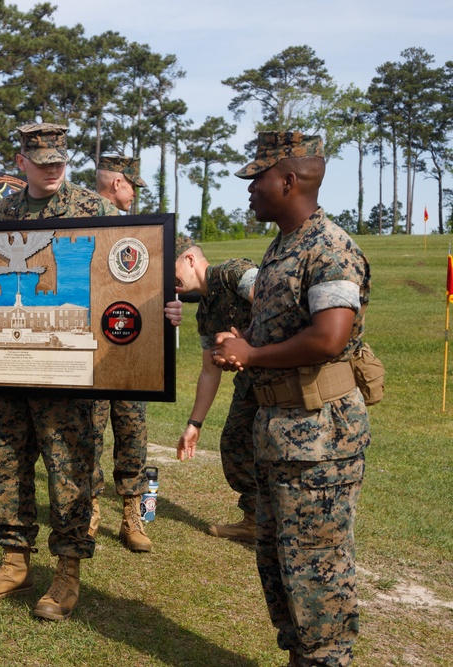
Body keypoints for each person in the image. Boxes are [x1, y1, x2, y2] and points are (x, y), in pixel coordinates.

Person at [211, 132, 370, 667]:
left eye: (256, 181)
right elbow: (281, 326)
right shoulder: (283, 246)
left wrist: (252, 356)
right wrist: (242, 345)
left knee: (316, 566)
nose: (250, 191)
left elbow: (329, 337)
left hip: (320, 438)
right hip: (282, 432)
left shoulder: (329, 247)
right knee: (280, 562)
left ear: (289, 180)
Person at [0, 123, 120, 622]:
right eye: (43, 161)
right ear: (21, 160)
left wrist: (160, 312)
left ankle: (67, 572)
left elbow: (130, 267)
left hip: (70, 370)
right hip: (8, 366)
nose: (53, 169)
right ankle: (13, 561)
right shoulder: (2, 211)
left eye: (59, 161)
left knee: (70, 470)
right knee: (6, 461)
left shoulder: (95, 209)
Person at [173, 235, 259, 542]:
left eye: (170, 268)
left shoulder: (235, 272)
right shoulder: (206, 311)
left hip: (286, 379)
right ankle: (255, 521)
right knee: (236, 446)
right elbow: (210, 371)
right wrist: (194, 424)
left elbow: (278, 303)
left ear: (190, 259)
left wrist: (245, 340)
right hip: (251, 387)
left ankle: (286, 528)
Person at [90, 154, 153, 552]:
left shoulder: (141, 230)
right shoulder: (81, 224)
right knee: (88, 436)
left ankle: (136, 517)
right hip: (92, 355)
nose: (135, 195)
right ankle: (90, 510)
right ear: (116, 184)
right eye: (132, 186)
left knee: (134, 431)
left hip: (131, 351)